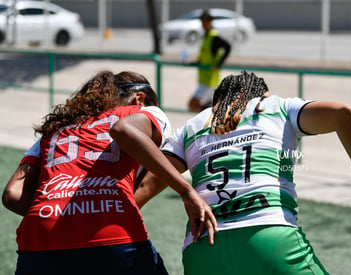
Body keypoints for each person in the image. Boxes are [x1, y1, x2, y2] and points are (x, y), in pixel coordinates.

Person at [135, 71, 351, 275]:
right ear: (260, 94)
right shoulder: (278, 106)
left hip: (202, 249)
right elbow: (344, 114)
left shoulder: (190, 127)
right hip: (269, 235)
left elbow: (145, 187)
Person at [2, 70, 217, 275]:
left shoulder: (56, 128)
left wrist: (66, 214)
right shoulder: (145, 112)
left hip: (38, 240)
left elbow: (12, 194)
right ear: (140, 99)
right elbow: (124, 131)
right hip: (111, 238)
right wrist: (186, 190)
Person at [188, 9, 232, 112]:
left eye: (205, 21)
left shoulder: (214, 36)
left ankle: (210, 115)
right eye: (202, 22)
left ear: (210, 21)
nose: (203, 24)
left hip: (210, 81)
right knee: (208, 106)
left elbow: (228, 47)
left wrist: (219, 64)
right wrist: (193, 63)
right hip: (204, 79)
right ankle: (210, 117)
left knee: (192, 104)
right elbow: (205, 56)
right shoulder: (206, 36)